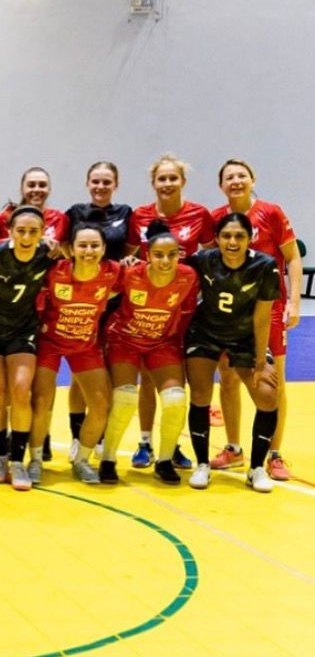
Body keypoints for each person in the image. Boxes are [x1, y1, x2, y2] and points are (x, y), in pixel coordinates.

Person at [210, 158, 301, 481]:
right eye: (229, 177)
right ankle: (234, 448)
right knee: (229, 377)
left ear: (252, 179)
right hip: (232, 314)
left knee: (274, 380)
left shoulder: (271, 212)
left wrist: (293, 301)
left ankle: (274, 453)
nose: (236, 181)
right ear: (221, 185)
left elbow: (292, 257)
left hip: (271, 310)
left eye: (241, 175)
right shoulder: (217, 219)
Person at [125, 154, 215, 471]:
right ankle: (145, 442)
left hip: (188, 309)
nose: (167, 184)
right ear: (154, 184)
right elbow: (131, 258)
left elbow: (212, 255)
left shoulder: (199, 215)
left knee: (178, 381)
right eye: (162, 179)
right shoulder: (140, 216)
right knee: (149, 379)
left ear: (183, 182)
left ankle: (172, 444)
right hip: (152, 310)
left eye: (172, 178)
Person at [184, 212, 281, 492]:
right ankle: (202, 464)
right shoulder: (204, 260)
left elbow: (263, 317)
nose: (232, 241)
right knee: (200, 394)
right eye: (226, 236)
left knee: (267, 394)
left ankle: (257, 467)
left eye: (239, 236)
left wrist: (261, 361)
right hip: (205, 334)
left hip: (245, 337)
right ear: (216, 239)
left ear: (250, 239)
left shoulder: (265, 266)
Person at [99, 221, 197, 484]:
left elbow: (188, 313)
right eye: (158, 255)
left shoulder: (188, 276)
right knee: (125, 398)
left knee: (176, 400)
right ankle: (108, 459)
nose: (165, 260)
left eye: (172, 254)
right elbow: (100, 296)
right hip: (124, 341)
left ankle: (165, 460)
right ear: (147, 255)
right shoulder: (130, 273)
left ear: (180, 254)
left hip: (162, 344)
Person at [28, 219, 121, 486]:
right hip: (50, 343)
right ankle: (34, 459)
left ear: (103, 249)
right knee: (42, 401)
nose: (88, 251)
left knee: (102, 405)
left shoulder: (113, 272)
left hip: (85, 345)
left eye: (94, 245)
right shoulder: (55, 271)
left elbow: (140, 277)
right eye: (83, 245)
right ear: (71, 249)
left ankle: (81, 459)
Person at [0, 207, 54, 491]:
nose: (26, 236)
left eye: (33, 231)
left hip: (23, 332)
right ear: (9, 231)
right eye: (20, 230)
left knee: (21, 390)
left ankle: (18, 460)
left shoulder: (47, 255)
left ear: (43, 233)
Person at [64, 161, 132, 462]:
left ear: (115, 184)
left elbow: (133, 249)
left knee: (106, 374)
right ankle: (78, 436)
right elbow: (65, 248)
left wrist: (124, 269)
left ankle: (101, 435)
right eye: (96, 181)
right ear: (87, 183)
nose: (101, 187)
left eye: (107, 182)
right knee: (82, 376)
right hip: (82, 301)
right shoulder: (75, 212)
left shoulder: (125, 214)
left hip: (114, 303)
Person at [0, 167, 69, 243]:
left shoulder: (59, 219)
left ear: (49, 189)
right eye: (31, 185)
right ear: (22, 189)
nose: (37, 189)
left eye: (42, 185)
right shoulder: (4, 219)